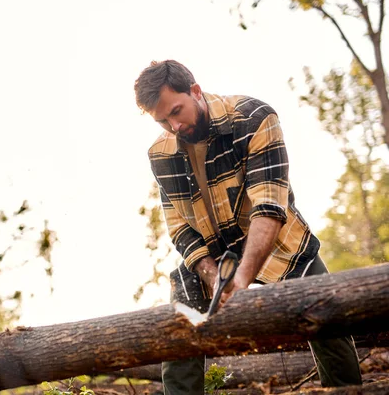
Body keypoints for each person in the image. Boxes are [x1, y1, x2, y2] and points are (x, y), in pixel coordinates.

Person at [133, 60, 362, 394]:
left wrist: (241, 277)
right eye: (163, 120)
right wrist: (212, 274)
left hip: (279, 243)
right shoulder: (160, 153)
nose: (174, 126)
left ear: (195, 91)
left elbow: (269, 206)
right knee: (180, 327)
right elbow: (179, 225)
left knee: (327, 316)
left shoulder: (254, 118)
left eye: (177, 111)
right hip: (212, 252)